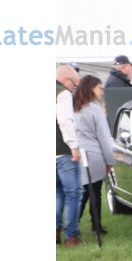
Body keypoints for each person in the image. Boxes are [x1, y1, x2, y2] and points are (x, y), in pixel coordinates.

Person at [73, 74, 114, 242]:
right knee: (94, 192)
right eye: (99, 88)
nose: (101, 91)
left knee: (79, 192)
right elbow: (103, 136)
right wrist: (109, 160)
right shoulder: (95, 109)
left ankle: (73, 225)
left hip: (76, 154)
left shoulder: (73, 107)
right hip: (93, 154)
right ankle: (96, 225)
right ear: (91, 88)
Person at [56, 64, 83, 247]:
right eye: (74, 85)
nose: (74, 89)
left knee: (56, 193)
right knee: (74, 193)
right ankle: (71, 236)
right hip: (64, 152)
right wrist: (73, 146)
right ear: (67, 80)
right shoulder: (63, 94)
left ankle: (54, 232)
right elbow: (65, 120)